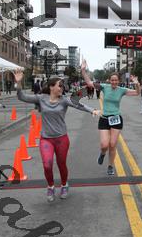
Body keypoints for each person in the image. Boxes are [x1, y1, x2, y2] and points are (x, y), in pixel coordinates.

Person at [13, 70, 99, 202]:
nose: (62, 88)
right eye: (60, 85)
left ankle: (64, 185)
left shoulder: (64, 100)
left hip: (61, 139)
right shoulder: (41, 98)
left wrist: (92, 110)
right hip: (46, 139)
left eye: (62, 86)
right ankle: (51, 186)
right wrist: (18, 83)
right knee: (47, 165)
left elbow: (79, 105)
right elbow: (22, 97)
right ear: (51, 87)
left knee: (61, 164)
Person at [81, 60, 140, 176]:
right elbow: (89, 83)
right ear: (109, 80)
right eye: (112, 80)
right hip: (104, 119)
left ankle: (110, 166)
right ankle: (102, 154)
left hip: (116, 119)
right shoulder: (104, 87)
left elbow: (137, 93)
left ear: (119, 81)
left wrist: (137, 83)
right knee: (104, 145)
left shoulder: (122, 90)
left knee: (113, 144)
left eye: (116, 80)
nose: (114, 82)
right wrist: (83, 70)